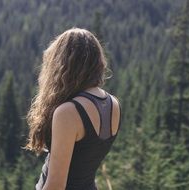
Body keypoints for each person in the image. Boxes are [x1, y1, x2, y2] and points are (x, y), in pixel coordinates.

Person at [25, 27, 122, 190]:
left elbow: (56, 185)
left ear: (62, 65)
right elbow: (85, 164)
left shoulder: (68, 112)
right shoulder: (113, 104)